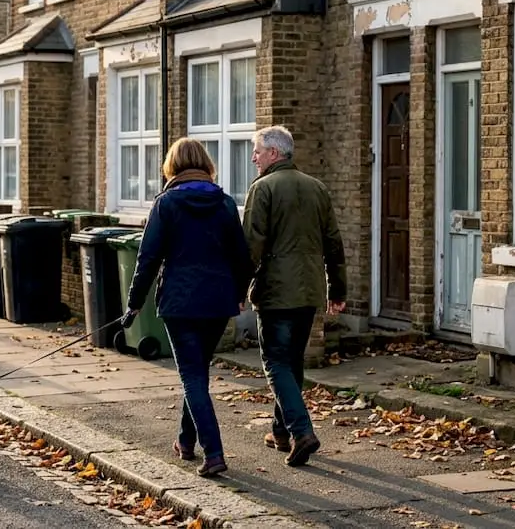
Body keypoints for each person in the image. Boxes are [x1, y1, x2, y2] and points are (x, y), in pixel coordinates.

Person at [121, 137, 253, 478]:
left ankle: (214, 453)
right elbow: (242, 256)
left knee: (192, 377)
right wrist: (240, 293)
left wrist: (134, 303)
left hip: (180, 303)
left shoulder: (166, 204)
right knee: (197, 373)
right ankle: (185, 441)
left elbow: (147, 258)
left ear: (172, 166)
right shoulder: (224, 203)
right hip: (218, 301)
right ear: (205, 164)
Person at [243, 125, 347, 468]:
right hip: (310, 290)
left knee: (275, 362)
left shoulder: (263, 189)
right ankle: (281, 431)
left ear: (274, 153)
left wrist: (236, 288)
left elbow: (251, 246)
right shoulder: (317, 188)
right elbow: (334, 243)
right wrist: (338, 289)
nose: (254, 158)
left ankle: (303, 431)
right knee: (293, 361)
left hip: (276, 291)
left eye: (257, 151)